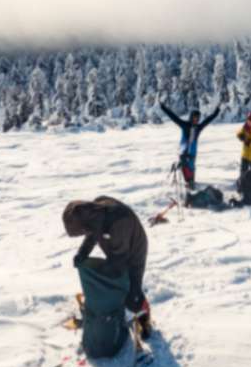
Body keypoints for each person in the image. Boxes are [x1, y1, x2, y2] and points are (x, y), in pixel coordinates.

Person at [63, 196, 152, 339]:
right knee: (115, 282)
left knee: (132, 291)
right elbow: (91, 235)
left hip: (134, 250)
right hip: (115, 246)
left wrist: (103, 272)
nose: (84, 232)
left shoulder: (118, 221)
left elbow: (119, 258)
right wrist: (82, 253)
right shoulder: (94, 214)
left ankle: (144, 318)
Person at [159, 102, 221, 188]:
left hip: (193, 155)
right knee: (188, 177)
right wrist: (163, 107)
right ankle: (187, 186)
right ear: (191, 117)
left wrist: (216, 111)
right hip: (184, 154)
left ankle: (190, 185)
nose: (196, 120)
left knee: (191, 176)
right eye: (195, 118)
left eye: (198, 118)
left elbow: (208, 120)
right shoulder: (185, 125)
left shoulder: (198, 128)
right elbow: (173, 117)